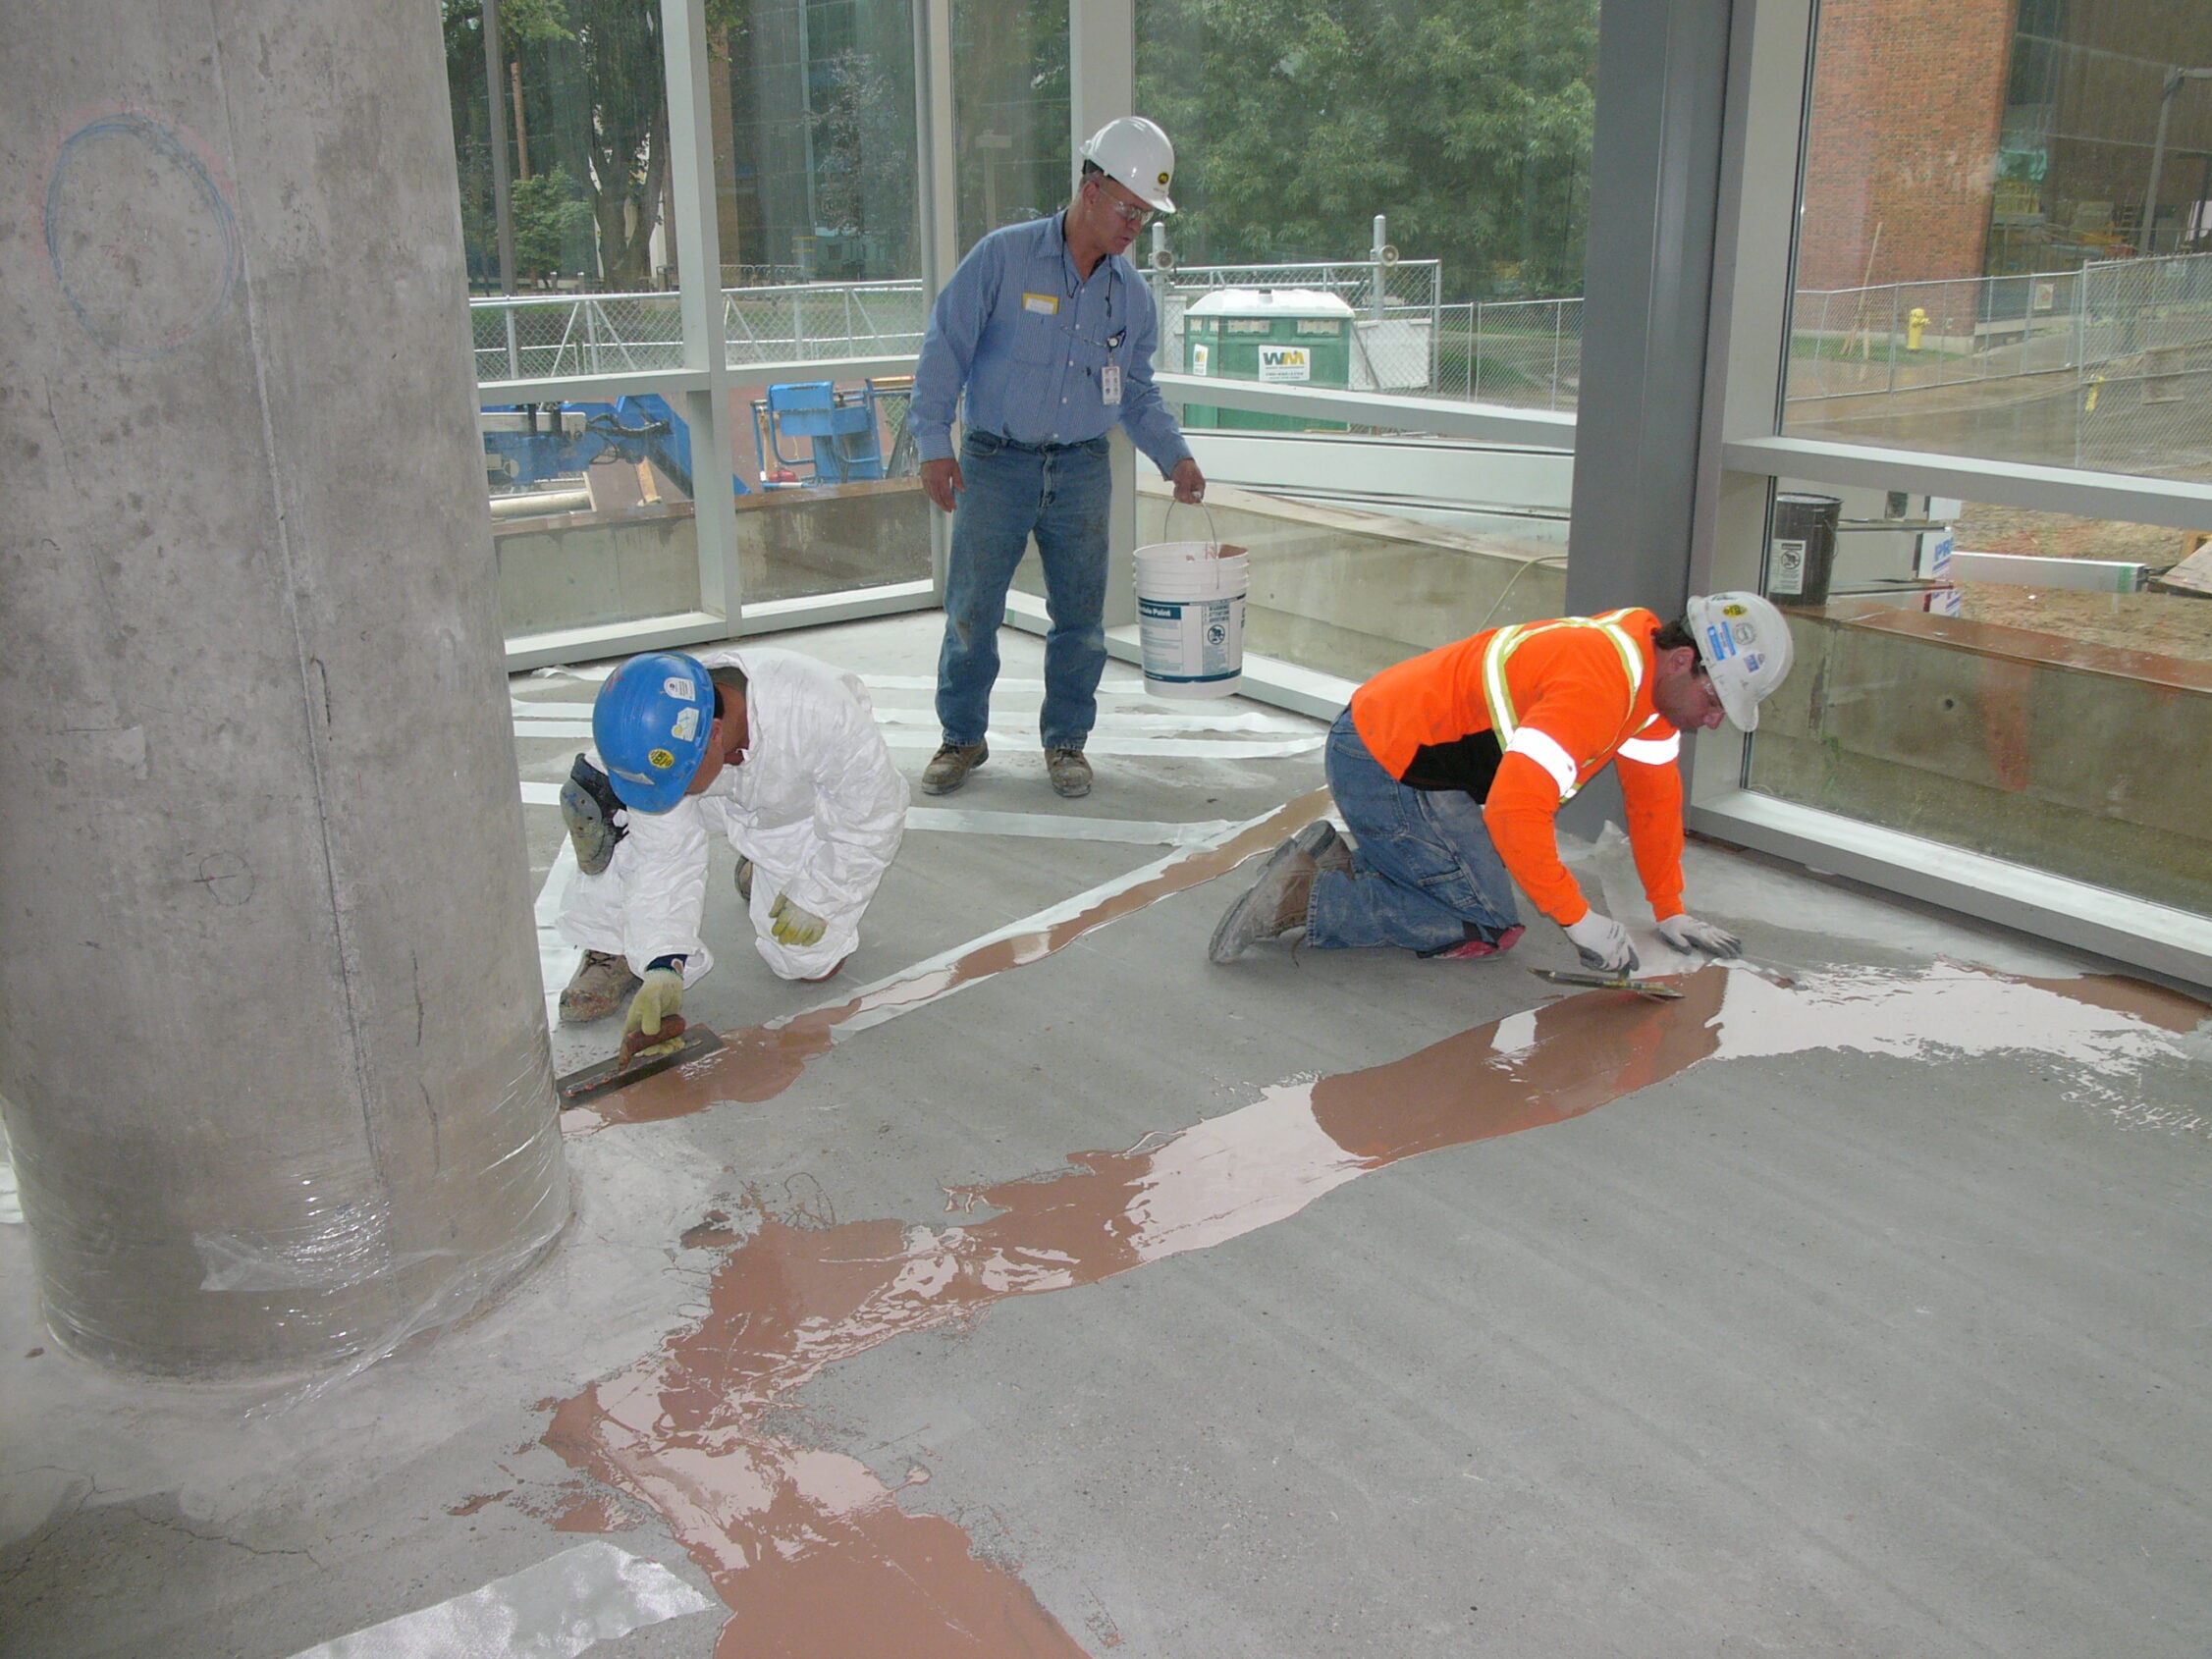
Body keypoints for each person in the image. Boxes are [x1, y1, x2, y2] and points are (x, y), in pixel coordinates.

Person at [1208, 593, 1796, 973]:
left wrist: (1668, 909)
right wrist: (1579, 919)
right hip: (1385, 764)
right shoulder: (1600, 687)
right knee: (1483, 923)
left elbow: (1654, 802)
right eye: (1715, 698)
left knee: (1483, 888)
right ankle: (1309, 898)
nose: (1715, 719)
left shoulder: (1648, 690)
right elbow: (1515, 814)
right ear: (1681, 659)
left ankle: (1334, 859)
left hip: (1405, 756)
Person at [910, 115, 1207, 802]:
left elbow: (1135, 390)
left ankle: (1066, 742)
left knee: (1079, 618)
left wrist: (1175, 456)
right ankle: (962, 736)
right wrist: (933, 443)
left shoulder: (1130, 296)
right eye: (1128, 207)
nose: (1135, 224)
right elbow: (944, 348)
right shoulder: (1002, 258)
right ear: (1092, 188)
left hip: (1080, 470)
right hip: (995, 461)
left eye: (1146, 213)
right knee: (971, 611)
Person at [557, 647, 907, 1053]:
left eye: (677, 781)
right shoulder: (660, 747)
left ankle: (764, 866)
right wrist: (662, 962)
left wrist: (823, 894)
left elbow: (872, 817)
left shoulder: (817, 713)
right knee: (607, 808)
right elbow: (663, 857)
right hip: (714, 789)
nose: (665, 798)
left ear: (717, 734)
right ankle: (610, 942)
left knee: (807, 962)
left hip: (795, 808)